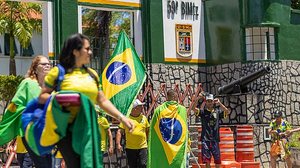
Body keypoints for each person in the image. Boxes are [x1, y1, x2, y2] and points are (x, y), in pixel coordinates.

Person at [38, 33, 134, 168]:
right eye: (87, 49)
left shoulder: (92, 74)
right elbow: (42, 97)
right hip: (67, 131)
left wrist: (122, 117)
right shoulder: (58, 72)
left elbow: (102, 100)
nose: (90, 52)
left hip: (89, 129)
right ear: (75, 51)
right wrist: (62, 99)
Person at [0, 55, 52, 168]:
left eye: (48, 64)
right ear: (35, 67)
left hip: (47, 133)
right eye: (43, 64)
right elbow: (15, 105)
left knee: (49, 165)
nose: (47, 65)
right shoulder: (27, 83)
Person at [148, 89, 188, 168]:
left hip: (162, 148)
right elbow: (184, 129)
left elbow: (153, 130)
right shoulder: (182, 110)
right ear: (175, 96)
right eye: (177, 96)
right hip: (177, 148)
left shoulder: (158, 110)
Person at [195, 93, 229, 168]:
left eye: (211, 101)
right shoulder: (203, 112)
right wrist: (197, 99)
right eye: (208, 101)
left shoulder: (217, 111)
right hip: (205, 139)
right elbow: (194, 109)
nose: (209, 103)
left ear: (213, 102)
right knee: (207, 161)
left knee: (217, 160)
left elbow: (227, 111)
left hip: (215, 139)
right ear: (206, 102)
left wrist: (220, 103)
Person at [116, 99, 149, 168]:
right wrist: (118, 144)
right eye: (140, 106)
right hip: (130, 148)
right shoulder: (126, 119)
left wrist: (148, 142)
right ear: (135, 108)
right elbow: (119, 131)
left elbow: (147, 130)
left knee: (143, 164)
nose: (142, 108)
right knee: (132, 166)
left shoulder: (144, 118)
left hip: (142, 147)